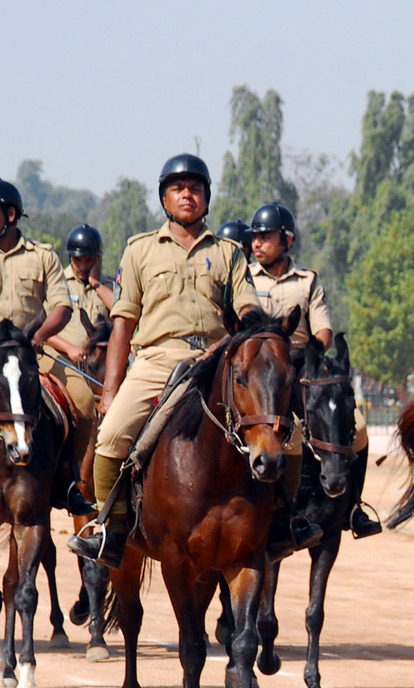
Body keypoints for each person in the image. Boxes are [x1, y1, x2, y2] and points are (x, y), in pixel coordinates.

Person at [68, 154, 260, 568]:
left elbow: (247, 311)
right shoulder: (139, 250)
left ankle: (284, 522)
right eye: (179, 188)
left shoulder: (229, 253)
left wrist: (242, 336)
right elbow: (123, 324)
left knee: (285, 430)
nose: (187, 195)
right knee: (110, 437)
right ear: (165, 198)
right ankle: (111, 531)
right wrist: (112, 391)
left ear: (207, 197)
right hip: (156, 359)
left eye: (195, 188)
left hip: (215, 358)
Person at [247, 200, 380, 543]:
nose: (257, 243)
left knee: (360, 429)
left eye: (265, 237)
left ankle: (354, 507)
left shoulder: (307, 281)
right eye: (254, 237)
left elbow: (322, 330)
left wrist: (309, 352)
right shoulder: (244, 278)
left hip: (301, 369)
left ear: (287, 240)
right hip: (261, 373)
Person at [0, 179, 94, 515]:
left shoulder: (42, 257)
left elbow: (61, 307)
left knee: (83, 400)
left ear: (10, 215)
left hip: (30, 354)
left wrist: (40, 336)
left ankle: (70, 482)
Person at [45, 224, 115, 506]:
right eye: (78, 260)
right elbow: (46, 326)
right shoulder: (58, 282)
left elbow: (123, 312)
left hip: (101, 366)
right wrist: (70, 349)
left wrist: (98, 285)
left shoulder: (107, 285)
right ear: (70, 258)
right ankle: (68, 475)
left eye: (90, 260)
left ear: (98, 258)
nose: (84, 266)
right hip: (63, 360)